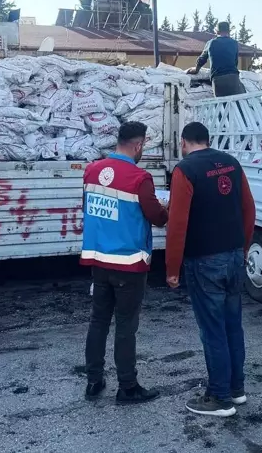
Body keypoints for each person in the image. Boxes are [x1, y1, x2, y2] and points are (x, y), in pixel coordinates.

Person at [165, 122, 256, 417]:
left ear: (183, 142)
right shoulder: (231, 163)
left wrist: (172, 267)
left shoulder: (185, 170)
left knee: (212, 330)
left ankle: (219, 398)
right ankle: (236, 389)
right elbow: (249, 209)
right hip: (233, 256)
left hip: (204, 260)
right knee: (232, 326)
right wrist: (242, 249)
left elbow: (177, 222)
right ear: (208, 140)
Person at [81, 121, 168, 404]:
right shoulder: (139, 177)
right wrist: (166, 208)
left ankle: (94, 381)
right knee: (126, 326)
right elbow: (157, 217)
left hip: (98, 261)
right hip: (129, 264)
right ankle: (127, 387)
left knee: (98, 322)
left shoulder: (92, 170)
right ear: (138, 144)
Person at [186, 21, 247, 98]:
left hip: (218, 78)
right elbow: (235, 62)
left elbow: (202, 59)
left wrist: (196, 69)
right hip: (233, 77)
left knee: (222, 105)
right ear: (228, 31)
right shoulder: (234, 43)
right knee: (238, 102)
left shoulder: (211, 43)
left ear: (217, 31)